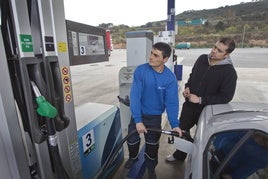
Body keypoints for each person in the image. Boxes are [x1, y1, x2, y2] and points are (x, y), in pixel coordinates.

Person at [166, 37, 238, 162]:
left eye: (219, 50)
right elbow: (192, 75)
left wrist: (200, 99)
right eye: (215, 47)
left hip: (207, 111)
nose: (214, 51)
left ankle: (198, 161)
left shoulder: (229, 72)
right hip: (189, 106)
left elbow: (226, 97)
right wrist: (187, 87)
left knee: (202, 138)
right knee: (182, 131)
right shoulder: (202, 59)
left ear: (226, 55)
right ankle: (180, 155)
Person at [124, 42, 182, 179]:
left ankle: (151, 168)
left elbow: (172, 103)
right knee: (132, 140)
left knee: (152, 146)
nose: (151, 57)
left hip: (154, 117)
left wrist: (175, 124)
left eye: (156, 55)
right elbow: (135, 96)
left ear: (165, 59)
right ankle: (133, 158)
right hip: (139, 113)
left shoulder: (169, 78)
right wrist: (138, 120)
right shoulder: (141, 71)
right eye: (151, 53)